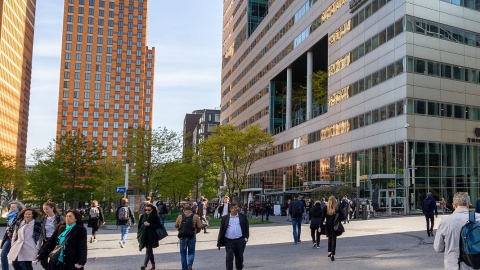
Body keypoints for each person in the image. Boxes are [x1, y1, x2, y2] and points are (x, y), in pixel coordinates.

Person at [434, 192, 480, 270]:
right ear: (469, 204)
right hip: (475, 264)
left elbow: (438, 248)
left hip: (453, 265)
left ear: (453, 205)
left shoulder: (445, 222)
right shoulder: (478, 219)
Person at [217, 203, 249, 270]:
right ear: (230, 209)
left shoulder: (242, 216)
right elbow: (222, 229)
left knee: (239, 257)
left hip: (240, 240)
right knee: (229, 256)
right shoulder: (225, 218)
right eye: (234, 207)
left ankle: (239, 268)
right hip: (228, 241)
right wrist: (219, 240)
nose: (236, 209)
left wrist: (245, 238)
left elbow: (246, 228)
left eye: (237, 207)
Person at [37, 201, 65, 270]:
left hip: (55, 242)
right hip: (46, 241)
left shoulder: (59, 218)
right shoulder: (44, 218)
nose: (45, 211)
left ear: (52, 208)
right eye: (44, 209)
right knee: (43, 261)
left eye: (47, 209)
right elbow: (42, 232)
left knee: (54, 260)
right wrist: (39, 244)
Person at [174, 204, 202, 270]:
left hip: (182, 237)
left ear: (184, 210)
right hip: (192, 236)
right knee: (191, 252)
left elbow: (176, 225)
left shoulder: (180, 216)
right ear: (191, 210)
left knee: (183, 254)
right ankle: (189, 264)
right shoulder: (195, 216)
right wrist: (196, 232)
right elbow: (200, 226)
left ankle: (184, 268)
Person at [1, 200, 24, 270]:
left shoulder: (20, 216)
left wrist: (9, 229)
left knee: (18, 256)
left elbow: (19, 227)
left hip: (17, 238)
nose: (11, 208)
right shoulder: (9, 215)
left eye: (14, 207)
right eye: (11, 207)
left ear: (18, 208)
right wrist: (8, 229)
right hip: (8, 237)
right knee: (3, 254)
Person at [137, 204, 161, 270]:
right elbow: (139, 226)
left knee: (148, 250)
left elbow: (158, 225)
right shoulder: (142, 216)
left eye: (148, 210)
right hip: (144, 236)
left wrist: (150, 224)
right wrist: (139, 235)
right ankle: (153, 265)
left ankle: (144, 265)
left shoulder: (155, 216)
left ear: (152, 210)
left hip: (152, 236)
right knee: (150, 251)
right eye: (145, 210)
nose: (147, 211)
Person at [322, 196, 342, 261]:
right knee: (334, 239)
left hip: (328, 225)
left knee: (329, 238)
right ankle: (333, 254)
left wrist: (320, 226)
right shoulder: (337, 208)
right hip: (335, 225)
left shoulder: (326, 208)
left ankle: (329, 251)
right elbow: (341, 216)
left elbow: (322, 218)